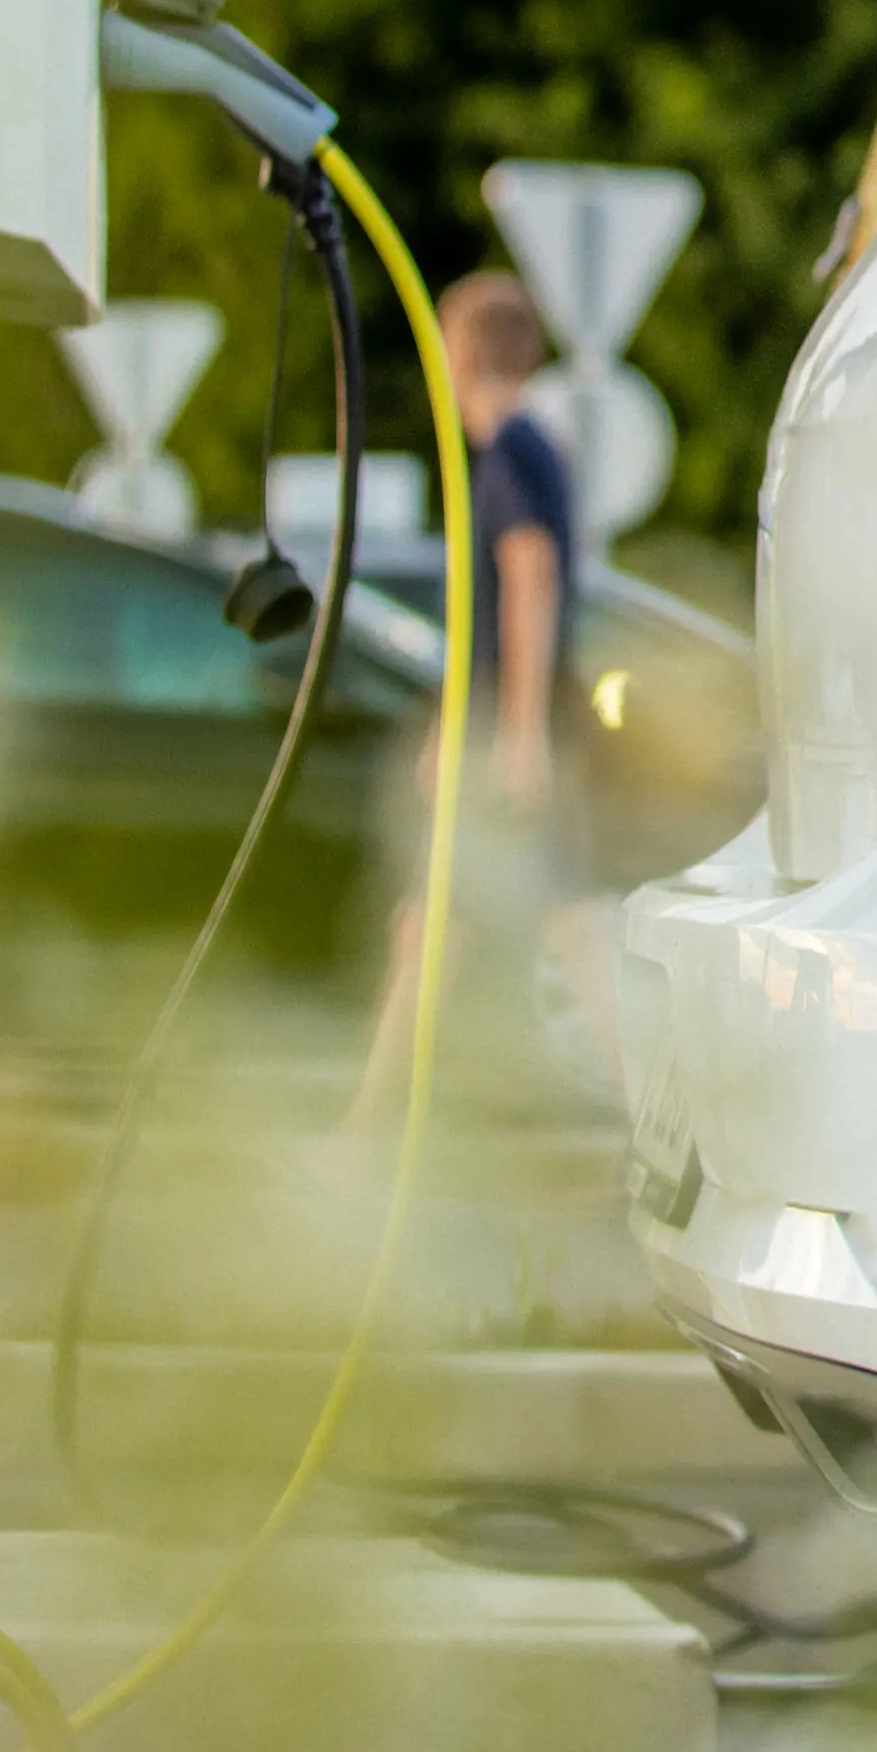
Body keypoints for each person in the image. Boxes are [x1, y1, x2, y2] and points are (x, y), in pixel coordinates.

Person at [350, 265, 577, 1126]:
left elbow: (528, 575)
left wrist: (515, 733)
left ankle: (365, 1133)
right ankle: (371, 1128)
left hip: (505, 732)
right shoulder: (532, 446)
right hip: (495, 725)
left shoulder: (511, 446)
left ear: (468, 349)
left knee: (444, 924)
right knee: (514, 925)